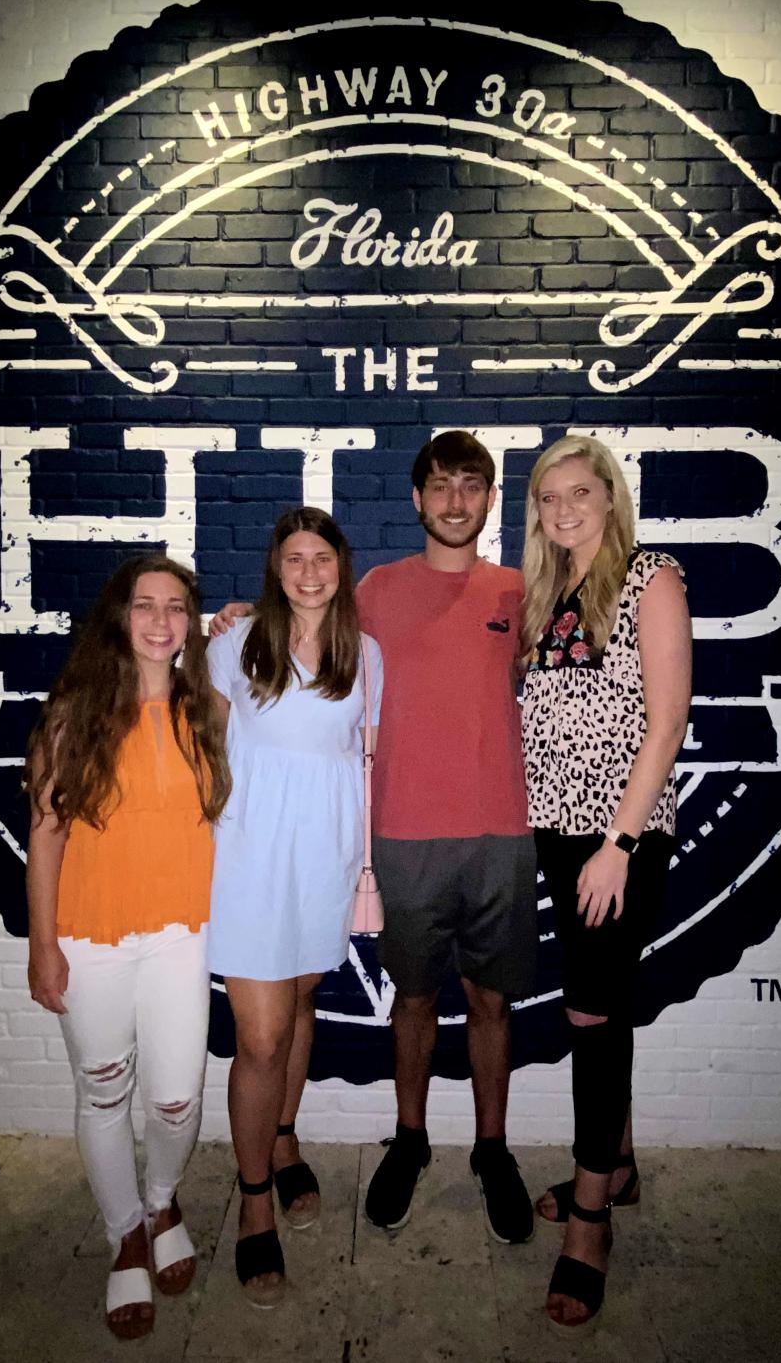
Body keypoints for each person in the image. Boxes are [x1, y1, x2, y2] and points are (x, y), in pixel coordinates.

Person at [210, 429, 538, 1246]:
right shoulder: (378, 592)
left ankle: (492, 1148)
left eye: (472, 485)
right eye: (441, 485)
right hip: (403, 832)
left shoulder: (519, 591)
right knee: (414, 999)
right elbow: (293, 620)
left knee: (492, 1000)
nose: (456, 500)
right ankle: (410, 1139)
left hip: (502, 829)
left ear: (490, 498)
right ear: (417, 498)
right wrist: (238, 614)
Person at [25, 555, 230, 1342]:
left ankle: (162, 1196)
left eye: (175, 606)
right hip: (91, 935)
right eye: (144, 604)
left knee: (177, 1097)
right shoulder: (74, 713)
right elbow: (45, 837)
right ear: (119, 616)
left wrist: (245, 619)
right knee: (104, 1091)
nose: (159, 620)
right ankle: (126, 1234)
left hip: (181, 933)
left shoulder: (209, 709)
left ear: (189, 624)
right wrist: (43, 945)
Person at [519, 435, 691, 1331]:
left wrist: (618, 842)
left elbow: (667, 723)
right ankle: (615, 1165)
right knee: (602, 999)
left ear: (609, 496)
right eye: (549, 497)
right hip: (556, 831)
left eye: (579, 492)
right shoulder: (545, 590)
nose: (564, 509)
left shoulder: (649, 577)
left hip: (618, 836)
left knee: (590, 1010)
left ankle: (590, 1221)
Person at [207, 507, 382, 1308]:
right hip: (248, 856)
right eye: (294, 558)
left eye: (322, 558)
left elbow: (365, 758)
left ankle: (282, 1139)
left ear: (341, 567)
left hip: (325, 855)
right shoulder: (235, 642)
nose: (309, 572)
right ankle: (252, 1202)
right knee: (260, 1034)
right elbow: (206, 749)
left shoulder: (366, 654)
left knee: (302, 999)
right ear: (275, 569)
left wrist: (367, 863)